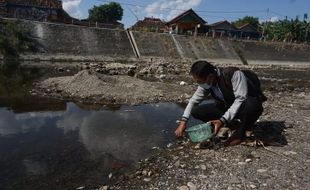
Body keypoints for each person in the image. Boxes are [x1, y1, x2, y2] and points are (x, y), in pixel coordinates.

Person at [175, 60, 267, 145]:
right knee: (196, 111)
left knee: (253, 105)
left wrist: (222, 120)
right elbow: (193, 101)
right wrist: (183, 122)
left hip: (244, 107)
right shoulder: (207, 84)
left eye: (200, 81)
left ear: (210, 76)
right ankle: (232, 124)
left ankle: (240, 132)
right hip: (228, 107)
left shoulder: (233, 74)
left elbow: (241, 99)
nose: (199, 84)